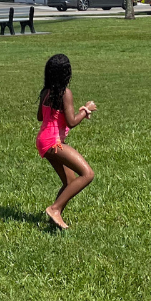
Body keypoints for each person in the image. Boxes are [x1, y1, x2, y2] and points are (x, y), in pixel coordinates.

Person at [37, 53, 96, 231]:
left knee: (70, 182)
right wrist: (86, 110)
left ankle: (55, 215)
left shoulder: (45, 92)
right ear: (66, 73)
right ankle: (54, 209)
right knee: (87, 174)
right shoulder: (65, 93)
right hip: (53, 142)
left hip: (42, 140)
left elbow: (40, 116)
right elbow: (71, 121)